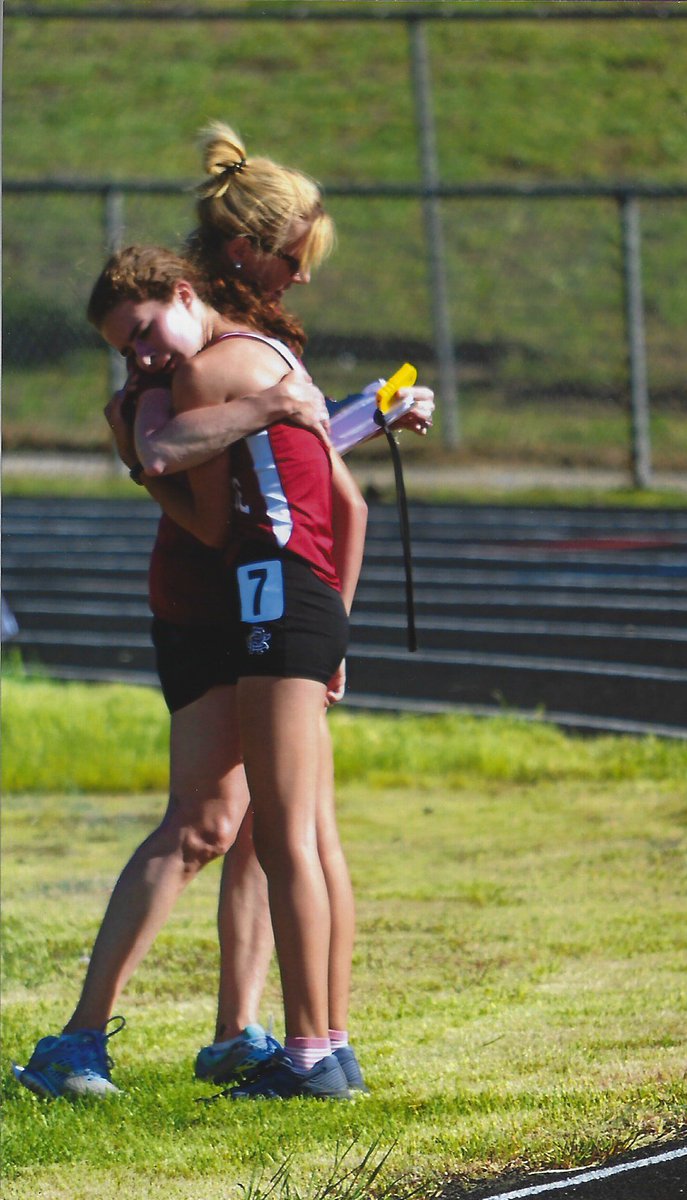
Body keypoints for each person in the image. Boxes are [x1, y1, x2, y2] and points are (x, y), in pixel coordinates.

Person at [13, 125, 432, 1102]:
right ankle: (111, 1039)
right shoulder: (177, 355)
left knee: (267, 830)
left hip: (266, 589)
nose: (304, 277)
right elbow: (178, 462)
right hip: (215, 596)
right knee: (221, 824)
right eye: (295, 257)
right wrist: (278, 417)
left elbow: (292, 462)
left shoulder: (229, 335)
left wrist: (358, 415)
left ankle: (259, 1037)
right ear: (244, 254)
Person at [89, 243, 367, 1099]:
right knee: (297, 838)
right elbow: (346, 501)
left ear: (183, 292)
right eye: (125, 350)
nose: (140, 359)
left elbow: (171, 458)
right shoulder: (268, 358)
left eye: (141, 335)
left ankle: (311, 1054)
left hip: (274, 593)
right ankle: (322, 1046)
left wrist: (141, 449)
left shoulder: (211, 372)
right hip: (288, 596)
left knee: (281, 840)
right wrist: (339, 627)